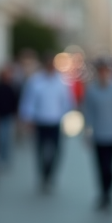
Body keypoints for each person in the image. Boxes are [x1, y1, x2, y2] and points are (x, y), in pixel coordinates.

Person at [19, 53, 73, 191]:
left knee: (56, 152)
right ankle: (42, 175)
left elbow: (67, 102)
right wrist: (28, 119)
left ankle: (50, 175)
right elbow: (28, 101)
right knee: (40, 151)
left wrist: (63, 116)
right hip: (40, 121)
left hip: (55, 122)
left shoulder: (61, 82)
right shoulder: (36, 81)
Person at [81, 61, 112, 209]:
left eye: (106, 71)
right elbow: (87, 113)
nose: (103, 74)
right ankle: (103, 194)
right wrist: (87, 132)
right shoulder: (92, 91)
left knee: (110, 167)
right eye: (101, 71)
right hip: (98, 135)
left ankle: (110, 192)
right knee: (100, 167)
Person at [0, 65, 20, 164]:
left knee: (7, 137)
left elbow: (15, 102)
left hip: (8, 115)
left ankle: (5, 157)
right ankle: (0, 156)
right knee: (0, 137)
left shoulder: (12, 87)